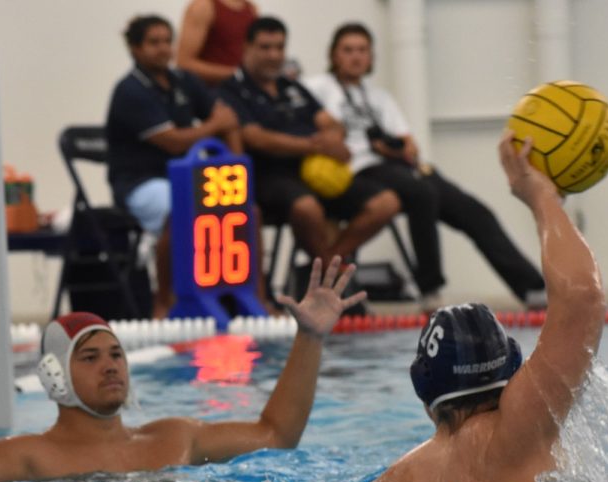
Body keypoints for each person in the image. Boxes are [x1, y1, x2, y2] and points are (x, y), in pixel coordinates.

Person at [0, 257, 366, 482]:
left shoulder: (176, 438)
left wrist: (310, 339)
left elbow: (276, 435)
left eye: (116, 355)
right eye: (90, 358)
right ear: (54, 377)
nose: (110, 366)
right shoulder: (29, 457)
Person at [353, 132, 605, 482]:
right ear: (514, 372)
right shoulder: (524, 425)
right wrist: (541, 196)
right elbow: (581, 296)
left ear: (425, 398)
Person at [303, 22, 547, 310]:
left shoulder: (380, 97)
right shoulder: (316, 88)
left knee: (475, 211)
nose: (355, 57)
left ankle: (533, 289)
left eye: (362, 50)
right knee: (421, 192)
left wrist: (394, 147)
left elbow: (409, 145)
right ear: (334, 55)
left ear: (370, 57)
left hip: (398, 168)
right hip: (357, 171)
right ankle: (430, 289)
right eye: (348, 50)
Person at [218, 16, 400, 295]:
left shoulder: (291, 86)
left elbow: (331, 123)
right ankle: (331, 281)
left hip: (315, 172)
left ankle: (330, 264)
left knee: (386, 202)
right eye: (265, 48)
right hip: (269, 176)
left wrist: (334, 139)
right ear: (247, 48)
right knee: (307, 208)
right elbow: (256, 138)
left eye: (279, 48)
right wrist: (314, 145)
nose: (274, 55)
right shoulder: (231, 89)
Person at [106, 14, 248, 319]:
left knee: (245, 208)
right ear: (134, 48)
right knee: (180, 209)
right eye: (153, 42)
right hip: (141, 182)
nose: (163, 49)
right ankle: (164, 300)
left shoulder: (184, 80)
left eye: (167, 41)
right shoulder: (130, 90)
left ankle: (246, 295)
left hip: (191, 178)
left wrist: (238, 173)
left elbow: (228, 121)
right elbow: (173, 142)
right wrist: (214, 125)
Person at [176, 0, 259, 88]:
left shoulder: (251, 9)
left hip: (242, 90)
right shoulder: (203, 6)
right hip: (211, 92)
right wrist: (237, 75)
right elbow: (184, 63)